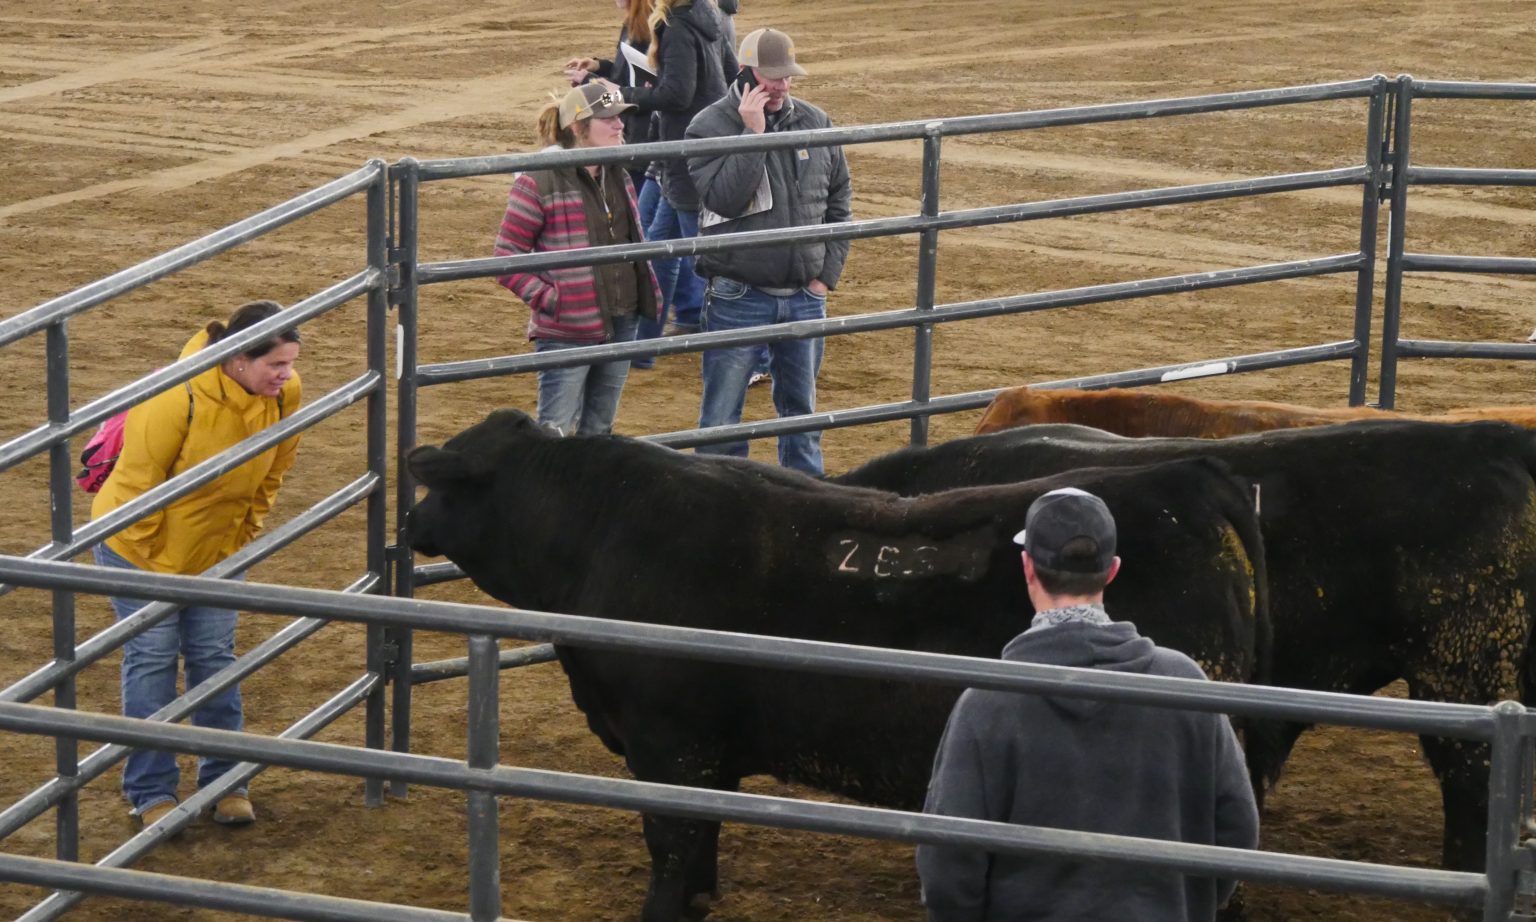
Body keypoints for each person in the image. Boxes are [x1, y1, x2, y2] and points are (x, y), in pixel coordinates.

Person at [915, 488, 1260, 921]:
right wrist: (1187, 903)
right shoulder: (1183, 682)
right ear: (1112, 571)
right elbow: (1238, 830)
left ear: (1028, 568)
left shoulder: (987, 703)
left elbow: (948, 867)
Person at [90, 300, 304, 830]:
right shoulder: (175, 397)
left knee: (214, 658)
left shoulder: (285, 396)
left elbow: (274, 470)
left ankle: (225, 781)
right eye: (275, 364)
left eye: (291, 362)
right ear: (237, 361)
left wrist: (240, 537)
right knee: (153, 659)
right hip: (141, 552)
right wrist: (166, 571)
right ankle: (151, 792)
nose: (286, 374)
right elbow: (137, 489)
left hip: (216, 552)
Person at [685, 27, 852, 474]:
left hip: (804, 295)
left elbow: (840, 201)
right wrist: (752, 136)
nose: (781, 85)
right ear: (745, 73)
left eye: (787, 77)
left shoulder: (816, 123)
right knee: (722, 417)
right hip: (740, 295)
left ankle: (806, 496)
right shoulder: (708, 127)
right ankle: (718, 502)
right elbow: (725, 199)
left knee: (802, 413)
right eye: (771, 77)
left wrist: (823, 276)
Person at [493, 82, 661, 435]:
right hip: (568, 327)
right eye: (608, 119)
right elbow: (507, 255)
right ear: (577, 127)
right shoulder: (538, 181)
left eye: (620, 117)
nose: (619, 126)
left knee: (600, 430)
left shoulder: (619, 173)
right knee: (553, 431)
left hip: (623, 318)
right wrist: (553, 299)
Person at [614, 0, 736, 348]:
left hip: (685, 153)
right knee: (660, 248)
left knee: (700, 256)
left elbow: (678, 95)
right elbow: (729, 74)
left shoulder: (678, 27)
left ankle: (742, 349)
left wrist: (625, 94)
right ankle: (642, 347)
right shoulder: (710, 20)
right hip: (690, 150)